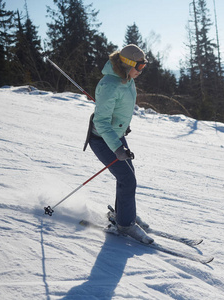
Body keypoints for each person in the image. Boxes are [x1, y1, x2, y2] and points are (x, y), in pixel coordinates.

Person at [86, 44, 153, 244]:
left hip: (116, 135)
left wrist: (123, 126)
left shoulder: (127, 79)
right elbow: (100, 121)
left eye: (144, 67)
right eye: (139, 67)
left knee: (127, 176)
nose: (141, 71)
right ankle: (125, 224)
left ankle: (122, 214)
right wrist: (116, 148)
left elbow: (119, 108)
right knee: (127, 179)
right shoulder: (110, 85)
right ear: (128, 65)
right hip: (103, 140)